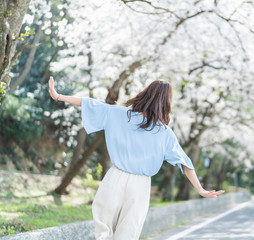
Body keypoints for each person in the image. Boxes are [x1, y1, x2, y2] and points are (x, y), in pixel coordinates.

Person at [48, 76, 225, 239]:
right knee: (128, 231)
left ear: (145, 94)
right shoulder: (164, 132)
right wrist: (200, 189)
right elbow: (185, 163)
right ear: (166, 103)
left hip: (115, 177)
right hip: (140, 185)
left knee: (103, 225)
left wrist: (58, 96)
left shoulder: (119, 113)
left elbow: (90, 104)